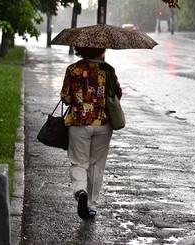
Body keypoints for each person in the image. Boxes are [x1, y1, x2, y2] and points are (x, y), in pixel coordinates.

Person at [60, 47, 122, 219]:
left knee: (79, 163)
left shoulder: (73, 69)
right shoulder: (108, 70)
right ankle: (91, 205)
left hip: (79, 123)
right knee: (96, 166)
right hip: (103, 124)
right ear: (101, 49)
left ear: (81, 50)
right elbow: (117, 94)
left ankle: (80, 191)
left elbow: (65, 98)